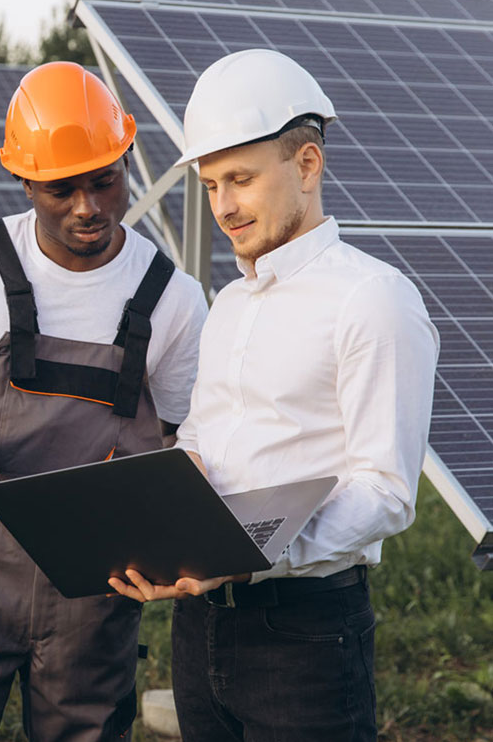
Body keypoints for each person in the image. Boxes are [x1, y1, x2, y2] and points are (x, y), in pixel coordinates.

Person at [0, 60, 208, 741]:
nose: (88, 207)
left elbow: (179, 440)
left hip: (96, 577)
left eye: (105, 180)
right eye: (60, 189)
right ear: (21, 180)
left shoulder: (173, 297)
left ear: (127, 158)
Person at [108, 49, 439, 742]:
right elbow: (201, 439)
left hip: (305, 634)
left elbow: (385, 491)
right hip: (198, 624)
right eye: (209, 185)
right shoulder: (227, 302)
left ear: (307, 165)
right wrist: (156, 517)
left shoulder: (371, 301)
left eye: (241, 179)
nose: (223, 206)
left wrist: (252, 552)